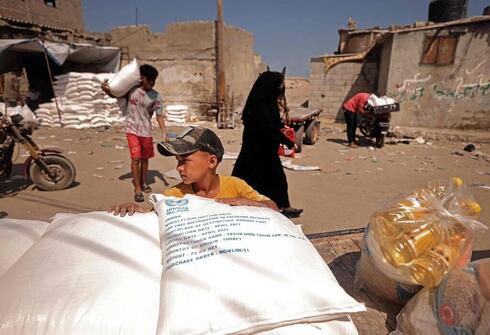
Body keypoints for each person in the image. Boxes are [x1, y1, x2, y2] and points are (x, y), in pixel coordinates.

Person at [108, 126, 278, 216]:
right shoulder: (174, 195)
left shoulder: (236, 186)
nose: (179, 168)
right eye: (178, 161)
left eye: (185, 160)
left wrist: (245, 202)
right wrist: (138, 211)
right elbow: (153, 218)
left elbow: (273, 208)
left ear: (212, 161)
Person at [231, 68, 303, 219]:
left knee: (255, 179)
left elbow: (272, 127)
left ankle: (280, 206)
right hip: (260, 152)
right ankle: (282, 206)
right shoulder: (261, 106)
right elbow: (270, 129)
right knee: (273, 180)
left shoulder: (262, 103)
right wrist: (288, 142)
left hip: (259, 151)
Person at [101, 64, 167, 203]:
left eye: (153, 81)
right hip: (132, 130)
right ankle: (137, 188)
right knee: (135, 159)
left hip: (146, 132)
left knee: (144, 159)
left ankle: (144, 182)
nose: (151, 83)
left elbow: (159, 116)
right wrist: (105, 88)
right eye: (149, 80)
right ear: (142, 78)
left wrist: (164, 132)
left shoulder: (156, 97)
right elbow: (114, 94)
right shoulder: (131, 91)